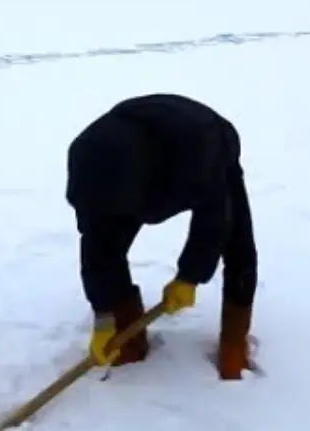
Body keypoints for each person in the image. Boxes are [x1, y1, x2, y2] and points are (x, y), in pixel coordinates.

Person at [65, 93, 258, 380]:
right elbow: (96, 249)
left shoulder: (197, 156)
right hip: (134, 155)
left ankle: (234, 344)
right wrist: (104, 317)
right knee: (106, 243)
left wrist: (190, 276)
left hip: (205, 143)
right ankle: (127, 341)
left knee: (238, 244)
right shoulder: (92, 176)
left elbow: (215, 219)